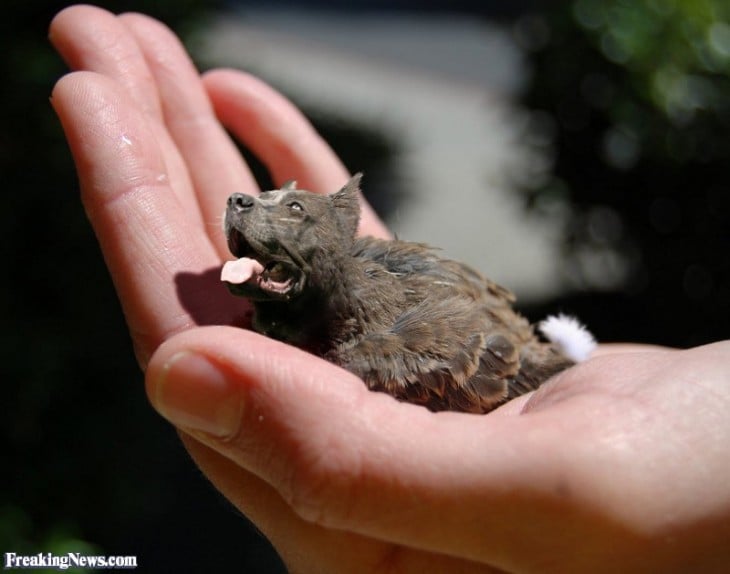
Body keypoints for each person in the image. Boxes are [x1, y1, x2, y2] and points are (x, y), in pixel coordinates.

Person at [50, 5, 730, 572]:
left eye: (291, 211)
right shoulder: (335, 285)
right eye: (265, 205)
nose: (250, 207)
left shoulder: (374, 356)